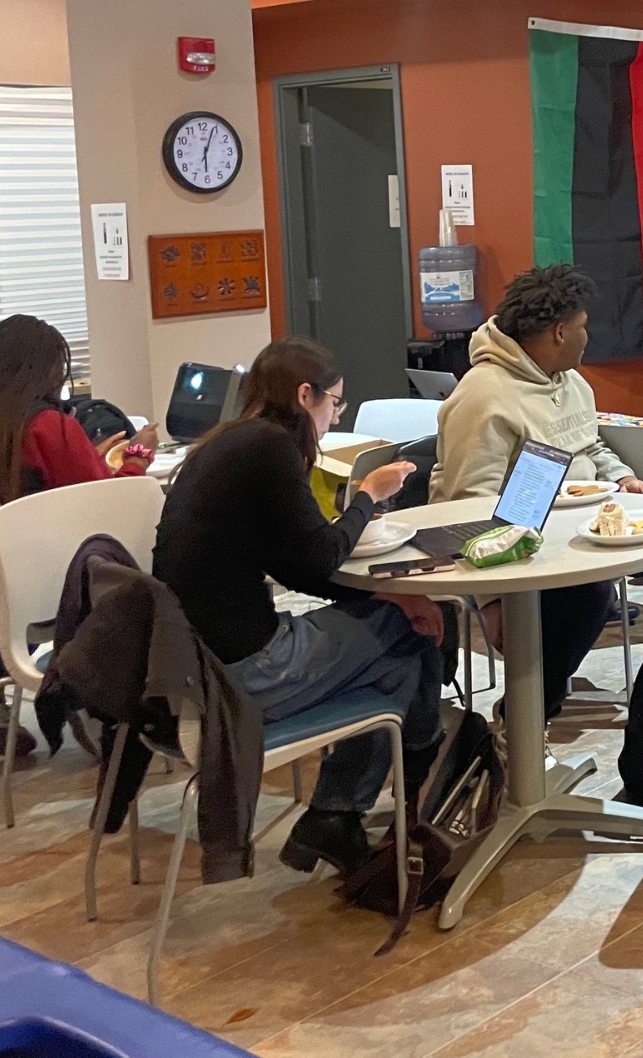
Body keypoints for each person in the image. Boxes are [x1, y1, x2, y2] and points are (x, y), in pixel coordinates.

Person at [152, 337, 441, 879]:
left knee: (392, 646)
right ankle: (409, 781)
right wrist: (368, 496)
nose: (336, 415)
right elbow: (321, 556)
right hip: (243, 675)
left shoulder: (227, 443)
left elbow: (296, 566)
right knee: (406, 641)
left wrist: (383, 594)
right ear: (306, 395)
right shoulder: (272, 448)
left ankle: (358, 806)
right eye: (335, 402)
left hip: (192, 669)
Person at [435, 265, 643, 703]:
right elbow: (470, 504)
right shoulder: (483, 397)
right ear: (559, 333)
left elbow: (590, 445)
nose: (587, 337)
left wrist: (622, 476)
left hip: (590, 524)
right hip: (531, 545)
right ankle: (529, 710)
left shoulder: (570, 380)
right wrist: (493, 601)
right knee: (591, 593)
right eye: (582, 326)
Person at [0, 313, 156, 756]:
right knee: (111, 571)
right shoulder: (45, 425)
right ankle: (82, 695)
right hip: (14, 597)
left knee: (37, 569)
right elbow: (107, 499)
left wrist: (82, 455)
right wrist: (136, 456)